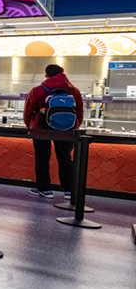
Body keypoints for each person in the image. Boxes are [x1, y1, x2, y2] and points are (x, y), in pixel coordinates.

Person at [23, 64, 83, 200]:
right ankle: (69, 190)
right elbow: (79, 111)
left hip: (41, 129)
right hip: (66, 130)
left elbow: (28, 111)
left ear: (46, 76)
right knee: (65, 158)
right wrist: (75, 127)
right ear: (63, 74)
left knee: (42, 158)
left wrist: (30, 127)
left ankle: (45, 189)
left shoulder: (37, 90)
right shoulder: (74, 91)